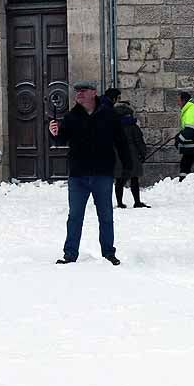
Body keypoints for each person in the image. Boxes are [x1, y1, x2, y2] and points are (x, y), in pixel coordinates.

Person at [49, 80, 132, 266]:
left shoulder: (109, 115)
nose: (78, 93)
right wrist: (53, 133)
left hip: (102, 173)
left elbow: (121, 141)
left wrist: (127, 165)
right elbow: (60, 139)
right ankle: (70, 254)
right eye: (76, 90)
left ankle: (108, 252)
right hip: (78, 175)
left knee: (106, 215)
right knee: (75, 216)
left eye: (83, 90)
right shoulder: (71, 116)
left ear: (93, 92)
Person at [105, 88, 149, 209]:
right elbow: (138, 141)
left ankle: (120, 203)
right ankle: (137, 201)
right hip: (132, 154)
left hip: (117, 154)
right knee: (134, 179)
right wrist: (143, 153)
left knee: (119, 180)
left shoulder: (112, 123)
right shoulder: (132, 125)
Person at [176, 91, 194, 181]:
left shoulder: (192, 110)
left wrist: (178, 140)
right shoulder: (189, 109)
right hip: (192, 146)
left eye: (178, 100)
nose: (177, 103)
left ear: (184, 100)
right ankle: (184, 183)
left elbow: (189, 131)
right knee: (185, 165)